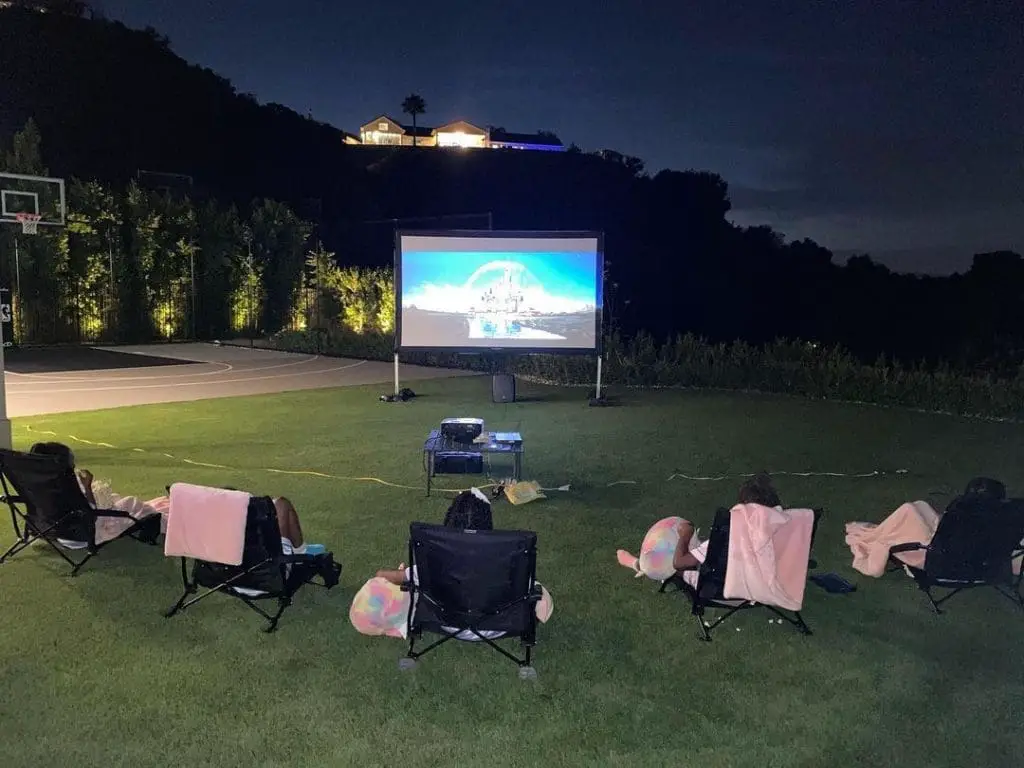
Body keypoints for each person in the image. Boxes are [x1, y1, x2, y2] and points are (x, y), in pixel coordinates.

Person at [359, 488, 552, 641]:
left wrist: (399, 574)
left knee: (411, 590)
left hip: (445, 622)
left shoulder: (432, 565)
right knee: (540, 594)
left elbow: (382, 575)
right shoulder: (506, 563)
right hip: (499, 627)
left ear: (449, 523)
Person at [28, 441, 166, 550]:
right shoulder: (66, 485)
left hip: (50, 530)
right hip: (80, 535)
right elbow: (90, 511)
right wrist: (87, 486)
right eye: (72, 463)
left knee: (115, 499)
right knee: (131, 502)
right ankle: (157, 519)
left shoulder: (35, 483)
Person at [672, 472, 783, 587]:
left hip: (724, 589)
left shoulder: (725, 540)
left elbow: (678, 563)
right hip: (762, 585)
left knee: (673, 564)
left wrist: (686, 534)